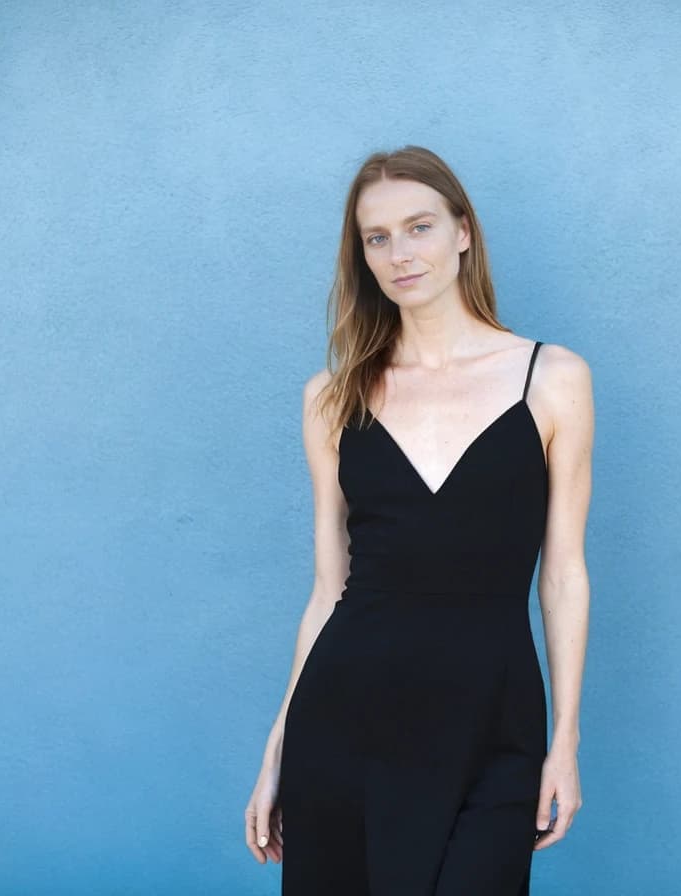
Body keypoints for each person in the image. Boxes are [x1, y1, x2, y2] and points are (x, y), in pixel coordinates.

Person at [245, 145, 594, 895]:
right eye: (378, 238)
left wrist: (564, 737)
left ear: (462, 232)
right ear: (362, 256)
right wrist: (277, 747)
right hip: (343, 724)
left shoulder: (554, 379)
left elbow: (563, 574)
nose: (401, 254)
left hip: (491, 725)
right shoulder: (329, 399)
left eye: (419, 227)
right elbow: (327, 589)